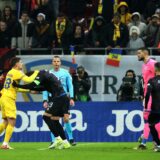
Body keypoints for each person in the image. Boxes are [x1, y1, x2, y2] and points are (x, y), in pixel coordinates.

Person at [13, 70, 72, 149]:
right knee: (54, 120)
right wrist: (29, 89)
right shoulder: (45, 75)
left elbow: (33, 84)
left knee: (46, 117)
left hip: (58, 98)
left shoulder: (41, 74)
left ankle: (58, 139)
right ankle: (65, 142)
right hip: (63, 97)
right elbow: (42, 88)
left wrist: (18, 86)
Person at [0, 57, 39, 149]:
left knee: (5, 121)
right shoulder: (17, 72)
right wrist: (37, 72)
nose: (22, 64)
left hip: (3, 97)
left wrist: (29, 91)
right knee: (12, 121)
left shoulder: (10, 72)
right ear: (16, 64)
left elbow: (16, 88)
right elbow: (29, 80)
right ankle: (5, 144)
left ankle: (5, 144)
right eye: (21, 62)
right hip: (9, 98)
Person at [42, 55, 76, 146]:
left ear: (60, 63)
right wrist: (45, 100)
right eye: (54, 61)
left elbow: (70, 86)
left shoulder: (65, 73)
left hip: (64, 98)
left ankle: (71, 138)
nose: (56, 63)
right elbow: (45, 88)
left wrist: (72, 98)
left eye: (58, 61)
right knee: (52, 119)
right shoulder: (48, 74)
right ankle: (54, 140)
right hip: (53, 99)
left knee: (66, 119)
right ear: (52, 63)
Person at [136, 47, 160, 149]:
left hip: (153, 95)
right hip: (147, 94)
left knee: (148, 118)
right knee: (149, 119)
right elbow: (145, 81)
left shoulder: (152, 63)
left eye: (139, 53)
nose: (137, 55)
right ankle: (153, 142)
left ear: (145, 53)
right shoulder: (144, 65)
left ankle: (145, 143)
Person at [145, 62, 160, 152]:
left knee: (151, 125)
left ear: (155, 69)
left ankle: (158, 144)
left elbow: (147, 94)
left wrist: (146, 106)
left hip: (156, 109)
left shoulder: (152, 80)